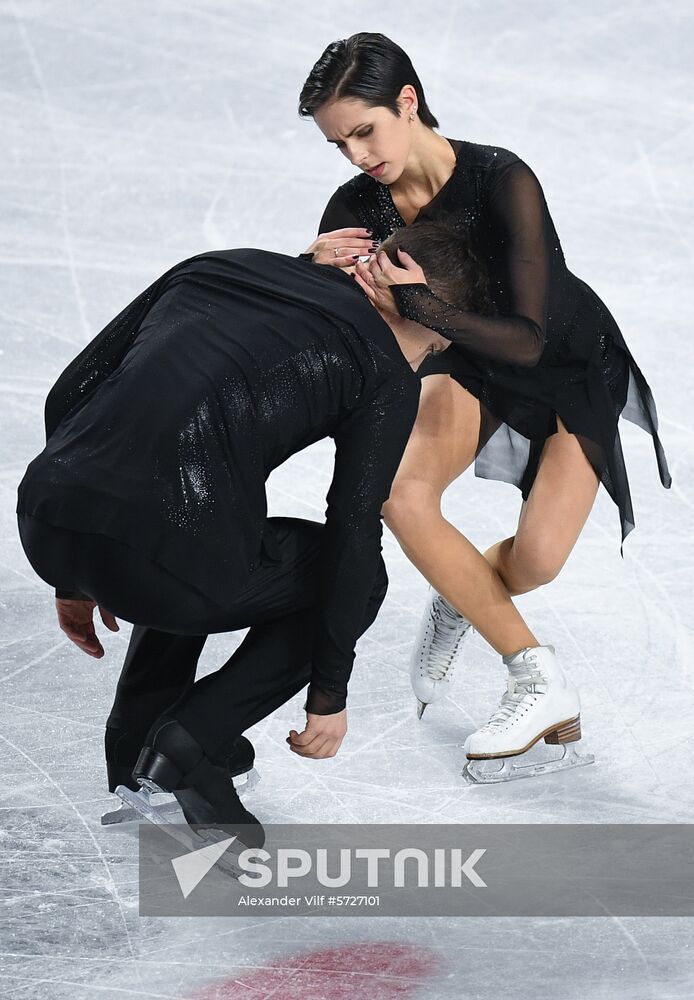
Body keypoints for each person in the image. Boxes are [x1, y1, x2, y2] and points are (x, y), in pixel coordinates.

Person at [16, 225, 481, 835]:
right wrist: (329, 695)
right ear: (436, 319)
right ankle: (189, 741)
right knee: (354, 578)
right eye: (439, 345)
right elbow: (351, 533)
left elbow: (68, 395)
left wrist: (72, 569)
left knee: (208, 521)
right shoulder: (381, 369)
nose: (429, 359)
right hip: (165, 560)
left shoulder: (216, 267)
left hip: (46, 522)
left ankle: (136, 749)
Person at [297, 32, 671, 781]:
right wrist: (309, 268)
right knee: (402, 496)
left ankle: (459, 595)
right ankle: (536, 678)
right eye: (340, 144)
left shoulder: (504, 179)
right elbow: (345, 319)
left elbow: (529, 340)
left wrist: (418, 303)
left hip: (565, 363)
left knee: (535, 561)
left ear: (408, 101)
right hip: (466, 361)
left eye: (365, 131)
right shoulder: (358, 202)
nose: (358, 157)